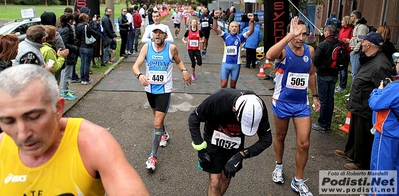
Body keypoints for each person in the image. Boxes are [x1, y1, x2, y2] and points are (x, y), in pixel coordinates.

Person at [0, 64, 150, 195]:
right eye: (8, 121)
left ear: (58, 109)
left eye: (33, 117)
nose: (22, 134)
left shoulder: (93, 141)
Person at [265, 16, 320, 196]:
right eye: (297, 33)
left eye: (304, 34)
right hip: (281, 102)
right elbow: (269, 55)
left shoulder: (309, 51)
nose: (301, 37)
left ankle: (298, 181)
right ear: (291, 33)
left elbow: (311, 74)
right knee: (280, 136)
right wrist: (289, 36)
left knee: (304, 143)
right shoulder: (283, 51)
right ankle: (278, 166)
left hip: (301, 104)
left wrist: (315, 96)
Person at [188, 88, 272, 196]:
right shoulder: (218, 99)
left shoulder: (259, 108)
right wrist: (200, 148)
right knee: (215, 182)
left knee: (226, 177)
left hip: (235, 143)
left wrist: (242, 154)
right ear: (234, 109)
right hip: (214, 137)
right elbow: (193, 118)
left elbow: (266, 139)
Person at [132, 24, 191, 172]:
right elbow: (135, 66)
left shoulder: (171, 49)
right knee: (156, 118)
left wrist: (184, 70)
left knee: (157, 122)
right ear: (152, 35)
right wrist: (140, 75)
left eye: (161, 33)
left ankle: (153, 156)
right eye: (155, 33)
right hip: (150, 89)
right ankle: (163, 133)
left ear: (165, 35)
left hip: (164, 90)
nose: (158, 35)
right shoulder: (146, 48)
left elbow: (178, 61)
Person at [334, 31, 393, 170]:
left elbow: (382, 90)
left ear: (369, 44)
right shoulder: (370, 58)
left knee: (363, 135)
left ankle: (360, 162)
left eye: (363, 41)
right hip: (358, 103)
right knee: (355, 131)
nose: (361, 43)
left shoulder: (380, 64)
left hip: (365, 105)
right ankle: (351, 153)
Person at [369, 69, 399, 192]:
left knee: (381, 171)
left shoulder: (395, 88)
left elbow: (375, 104)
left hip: (388, 134)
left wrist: (379, 91)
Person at [212, 10, 254, 89]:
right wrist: (215, 18)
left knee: (233, 85)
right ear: (229, 28)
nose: (234, 28)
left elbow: (251, 31)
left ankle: (232, 100)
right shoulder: (225, 35)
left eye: (236, 27)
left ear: (238, 28)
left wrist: (251, 20)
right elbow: (215, 28)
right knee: (223, 85)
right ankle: (223, 100)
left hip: (236, 65)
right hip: (226, 64)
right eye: (232, 26)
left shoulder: (240, 37)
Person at [312, 25, 340, 133]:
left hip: (323, 75)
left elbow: (316, 59)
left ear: (327, 33)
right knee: (330, 98)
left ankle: (323, 124)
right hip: (334, 74)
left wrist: (319, 68)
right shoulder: (340, 44)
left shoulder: (323, 45)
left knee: (323, 99)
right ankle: (328, 123)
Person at [58, 13, 79, 101]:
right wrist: (74, 48)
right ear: (70, 20)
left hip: (67, 52)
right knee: (67, 73)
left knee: (65, 73)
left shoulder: (63, 28)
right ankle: (65, 91)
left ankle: (65, 89)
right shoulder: (67, 30)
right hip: (68, 53)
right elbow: (65, 43)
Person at [76, 13, 97, 85]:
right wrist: (93, 23)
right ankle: (86, 79)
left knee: (82, 63)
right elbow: (94, 32)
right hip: (87, 46)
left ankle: (82, 78)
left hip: (81, 46)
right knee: (87, 64)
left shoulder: (78, 26)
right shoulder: (86, 27)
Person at [349, 10, 369, 80]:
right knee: (354, 73)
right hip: (354, 51)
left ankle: (353, 90)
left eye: (351, 16)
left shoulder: (362, 27)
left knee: (355, 74)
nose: (350, 18)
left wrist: (354, 51)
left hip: (357, 52)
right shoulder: (357, 26)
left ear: (354, 17)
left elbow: (361, 40)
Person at [335, 15, 353, 92]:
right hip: (340, 51)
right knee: (340, 68)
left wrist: (347, 49)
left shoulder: (351, 30)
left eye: (343, 20)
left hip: (346, 52)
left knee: (343, 69)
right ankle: (340, 84)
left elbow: (351, 41)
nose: (341, 22)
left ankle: (342, 86)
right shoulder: (342, 29)